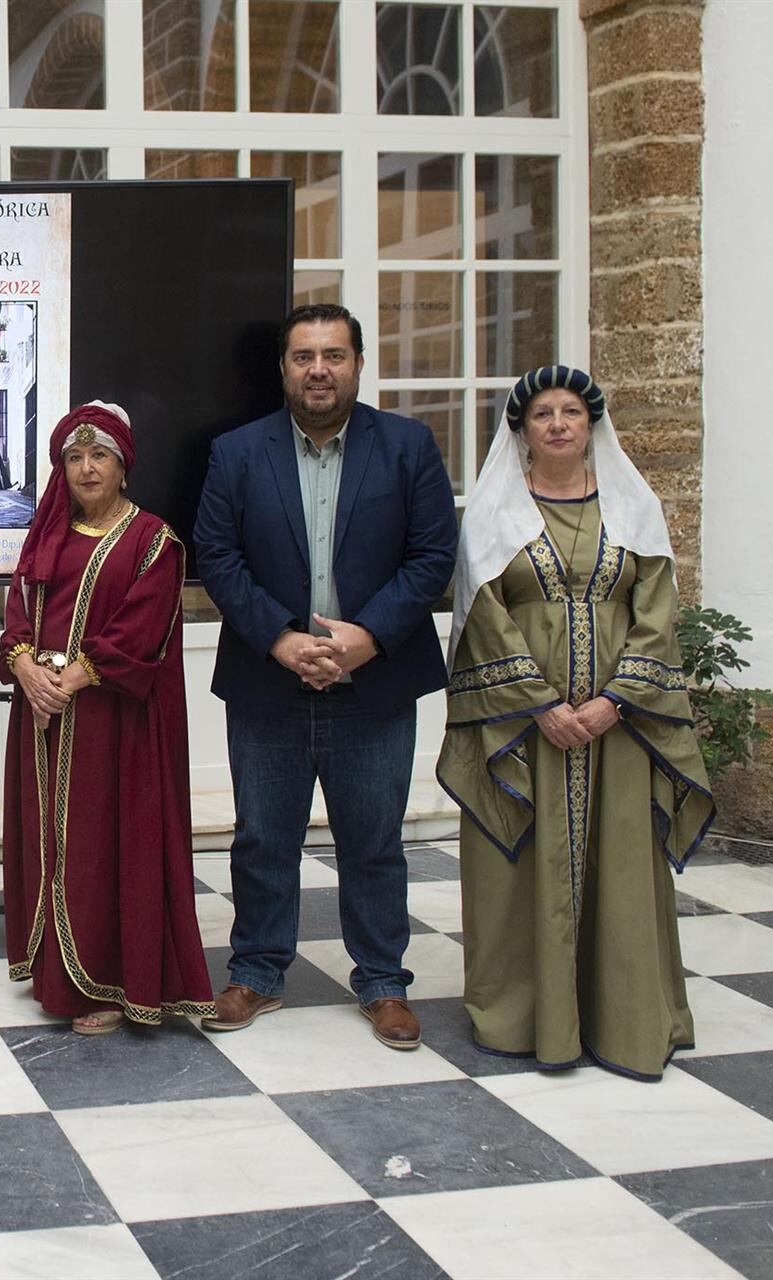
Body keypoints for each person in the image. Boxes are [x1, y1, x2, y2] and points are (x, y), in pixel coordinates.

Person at [192, 303, 458, 1049]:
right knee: (261, 840)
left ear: (357, 364)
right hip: (267, 682)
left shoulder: (406, 446)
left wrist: (367, 636)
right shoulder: (238, 452)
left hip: (372, 685)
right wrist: (279, 639)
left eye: (333, 355)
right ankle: (257, 972)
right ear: (284, 367)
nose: (318, 369)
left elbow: (433, 555)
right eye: (304, 356)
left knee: (374, 843)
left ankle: (382, 982)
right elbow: (217, 556)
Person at [440, 366, 713, 1079]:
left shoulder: (634, 509)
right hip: (525, 732)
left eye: (570, 411)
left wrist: (613, 701)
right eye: (542, 414)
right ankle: (528, 1017)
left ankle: (623, 1016)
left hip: (616, 730)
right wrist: (539, 703)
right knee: (519, 870)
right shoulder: (494, 515)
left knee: (620, 864)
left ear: (591, 424)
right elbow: (482, 618)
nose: (558, 423)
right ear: (522, 432)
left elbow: (657, 613)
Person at [0, 402, 216, 1033]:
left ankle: (111, 981)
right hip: (42, 718)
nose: (87, 469)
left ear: (123, 465)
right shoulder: (48, 533)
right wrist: (24, 667)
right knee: (51, 842)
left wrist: (69, 679)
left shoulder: (154, 541)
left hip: (113, 723)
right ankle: (54, 970)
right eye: (74, 457)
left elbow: (142, 630)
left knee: (102, 843)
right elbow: (19, 607)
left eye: (100, 456)